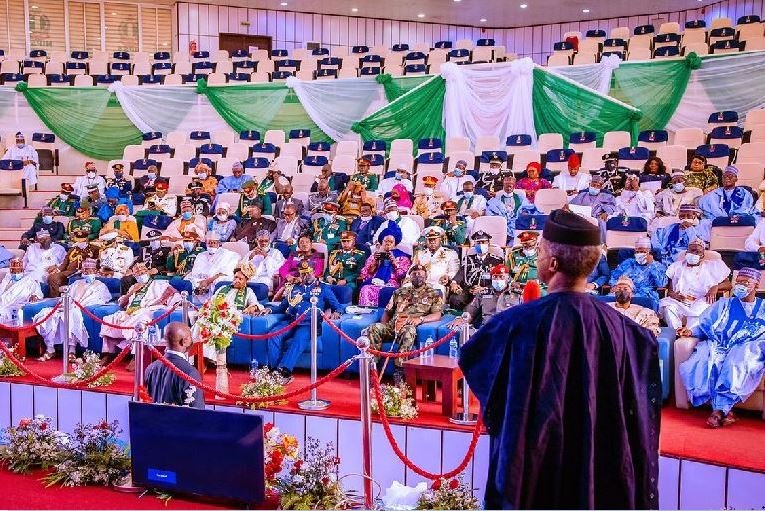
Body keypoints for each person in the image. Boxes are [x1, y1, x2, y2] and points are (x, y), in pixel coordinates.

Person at [459, 208, 660, 509]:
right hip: (599, 462)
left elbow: (477, 364)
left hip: (535, 463)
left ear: (552, 263)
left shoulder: (515, 324)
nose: (537, 257)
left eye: (540, 251)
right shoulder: (625, 331)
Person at [678, 267, 765, 428]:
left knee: (735, 363)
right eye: (738, 282)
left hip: (747, 348)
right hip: (719, 345)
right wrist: (690, 330)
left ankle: (719, 411)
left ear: (756, 286)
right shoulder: (723, 304)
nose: (741, 286)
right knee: (699, 361)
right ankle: (726, 411)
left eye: (746, 283)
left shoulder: (764, 308)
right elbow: (705, 325)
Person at [366, 264, 443, 383]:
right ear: (410, 277)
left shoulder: (433, 293)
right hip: (393, 325)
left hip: (408, 325)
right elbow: (387, 312)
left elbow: (437, 314)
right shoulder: (399, 292)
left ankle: (399, 371)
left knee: (408, 331)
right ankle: (373, 369)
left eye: (420, 274)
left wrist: (420, 319)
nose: (417, 276)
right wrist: (386, 325)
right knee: (373, 328)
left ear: (426, 277)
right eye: (414, 273)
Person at [269, 260, 345, 379]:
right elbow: (282, 307)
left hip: (309, 323)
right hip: (291, 321)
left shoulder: (323, 288)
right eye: (302, 273)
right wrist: (269, 310)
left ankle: (284, 370)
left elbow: (338, 306)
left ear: (314, 272)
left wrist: (337, 312)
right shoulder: (294, 288)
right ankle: (272, 369)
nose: (305, 276)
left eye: (308, 273)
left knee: (299, 339)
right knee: (273, 334)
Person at [35, 258, 111, 361]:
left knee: (72, 315)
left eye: (89, 270)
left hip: (79, 308)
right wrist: (63, 303)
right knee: (46, 315)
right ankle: (50, 348)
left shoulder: (100, 285)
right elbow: (67, 295)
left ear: (95, 271)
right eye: (85, 270)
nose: (87, 272)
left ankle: (72, 350)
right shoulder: (76, 283)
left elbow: (100, 300)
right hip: (68, 306)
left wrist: (76, 305)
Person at [101, 261, 181, 357]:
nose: (140, 273)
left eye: (142, 271)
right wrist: (131, 292)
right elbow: (122, 303)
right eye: (137, 272)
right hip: (130, 312)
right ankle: (108, 353)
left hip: (147, 311)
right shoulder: (134, 287)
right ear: (135, 276)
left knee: (140, 321)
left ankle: (137, 355)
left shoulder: (158, 284)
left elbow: (174, 295)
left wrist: (175, 303)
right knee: (109, 319)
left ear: (148, 272)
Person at [659, 238, 731, 330]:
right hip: (680, 301)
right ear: (686, 253)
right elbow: (670, 291)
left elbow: (728, 285)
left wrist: (715, 287)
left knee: (699, 311)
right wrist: (673, 295)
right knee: (668, 308)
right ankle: (676, 332)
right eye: (692, 251)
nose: (694, 254)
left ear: (702, 255)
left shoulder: (713, 266)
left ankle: (689, 332)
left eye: (697, 252)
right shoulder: (676, 267)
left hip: (701, 300)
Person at [144, 322, 205, 408]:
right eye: (190, 337)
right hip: (179, 420)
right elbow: (197, 411)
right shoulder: (190, 372)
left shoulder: (151, 368)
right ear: (184, 341)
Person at [449, 230, 505, 311]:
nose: (481, 245)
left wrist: (484, 288)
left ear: (488, 244)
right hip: (469, 290)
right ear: (474, 244)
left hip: (486, 290)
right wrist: (454, 282)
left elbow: (499, 281)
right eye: (478, 243)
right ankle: (458, 319)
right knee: (455, 299)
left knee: (486, 304)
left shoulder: (496, 260)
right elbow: (461, 273)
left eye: (483, 242)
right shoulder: (468, 259)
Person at [358, 226, 411, 307]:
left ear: (395, 243)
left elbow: (402, 275)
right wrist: (375, 261)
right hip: (375, 282)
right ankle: (367, 313)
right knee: (366, 289)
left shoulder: (402, 257)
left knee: (387, 291)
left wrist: (394, 262)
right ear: (381, 242)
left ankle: (384, 314)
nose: (388, 243)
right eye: (385, 241)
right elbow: (365, 273)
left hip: (391, 283)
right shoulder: (375, 254)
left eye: (391, 241)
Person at [609, 237, 668, 309]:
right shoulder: (628, 262)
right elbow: (614, 277)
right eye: (637, 252)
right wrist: (615, 285)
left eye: (642, 252)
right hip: (622, 292)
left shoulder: (658, 266)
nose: (639, 254)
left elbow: (661, 284)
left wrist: (652, 264)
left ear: (649, 252)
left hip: (644, 295)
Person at [185, 232, 240, 304]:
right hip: (199, 281)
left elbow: (226, 271)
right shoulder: (201, 255)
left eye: (214, 243)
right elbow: (195, 272)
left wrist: (208, 281)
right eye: (209, 243)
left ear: (219, 243)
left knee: (221, 280)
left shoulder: (226, 254)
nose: (211, 245)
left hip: (214, 281)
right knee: (185, 280)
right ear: (206, 243)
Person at [47, 229, 100, 297]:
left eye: (82, 240)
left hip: (84, 272)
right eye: (78, 240)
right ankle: (56, 298)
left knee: (76, 279)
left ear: (86, 239)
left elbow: (97, 263)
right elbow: (65, 263)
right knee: (52, 277)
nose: (79, 242)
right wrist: (58, 270)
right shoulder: (72, 249)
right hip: (69, 272)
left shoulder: (94, 249)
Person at [410, 226, 459, 295]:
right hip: (420, 283)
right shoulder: (420, 254)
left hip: (438, 283)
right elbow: (411, 270)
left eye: (434, 239)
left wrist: (447, 276)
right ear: (426, 241)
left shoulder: (450, 253)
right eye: (430, 239)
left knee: (437, 291)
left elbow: (454, 271)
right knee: (405, 289)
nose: (432, 242)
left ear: (440, 239)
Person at [0, 258, 42, 323]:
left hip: (16, 306)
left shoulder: (29, 281)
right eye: (13, 270)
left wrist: (35, 296)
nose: (15, 273)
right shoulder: (7, 279)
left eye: (18, 270)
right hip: (3, 304)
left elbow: (38, 293)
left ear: (22, 270)